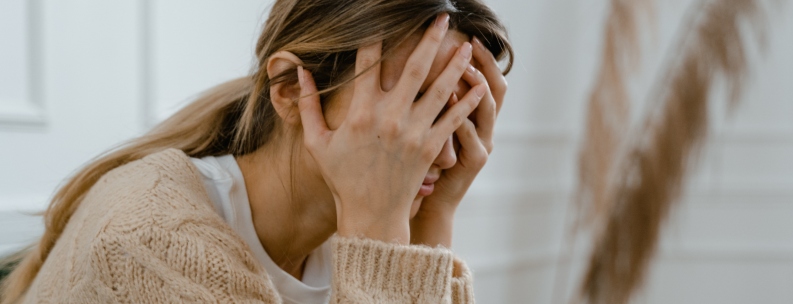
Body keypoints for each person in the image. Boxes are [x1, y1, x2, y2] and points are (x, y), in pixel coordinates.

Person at [0, 0, 512, 303]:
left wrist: (433, 217)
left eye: (459, 113)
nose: (442, 152)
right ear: (291, 89)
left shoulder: (358, 225)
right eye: (411, 106)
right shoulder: (150, 241)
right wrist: (385, 236)